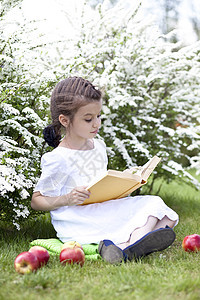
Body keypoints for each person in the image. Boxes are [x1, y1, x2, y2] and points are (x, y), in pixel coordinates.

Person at [31, 76, 179, 264]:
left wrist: (126, 181)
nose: (96, 123)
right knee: (157, 218)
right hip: (77, 218)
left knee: (161, 209)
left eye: (98, 116)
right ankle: (131, 245)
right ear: (65, 120)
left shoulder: (98, 146)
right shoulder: (57, 158)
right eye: (88, 119)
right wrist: (67, 198)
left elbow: (101, 183)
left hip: (102, 208)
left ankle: (126, 247)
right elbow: (37, 201)